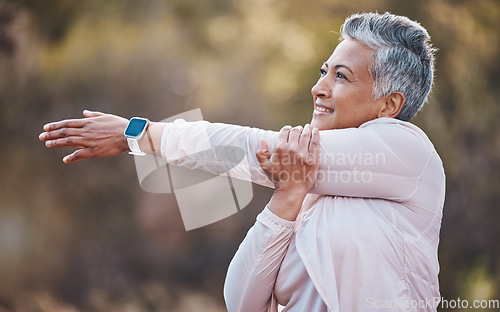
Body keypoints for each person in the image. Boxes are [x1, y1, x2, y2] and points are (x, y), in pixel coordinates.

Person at [39, 12, 445, 312]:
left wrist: (137, 134)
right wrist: (285, 201)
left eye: (341, 76)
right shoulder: (301, 187)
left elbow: (253, 148)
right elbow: (241, 303)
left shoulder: (408, 152)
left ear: (389, 104)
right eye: (323, 72)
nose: (318, 88)